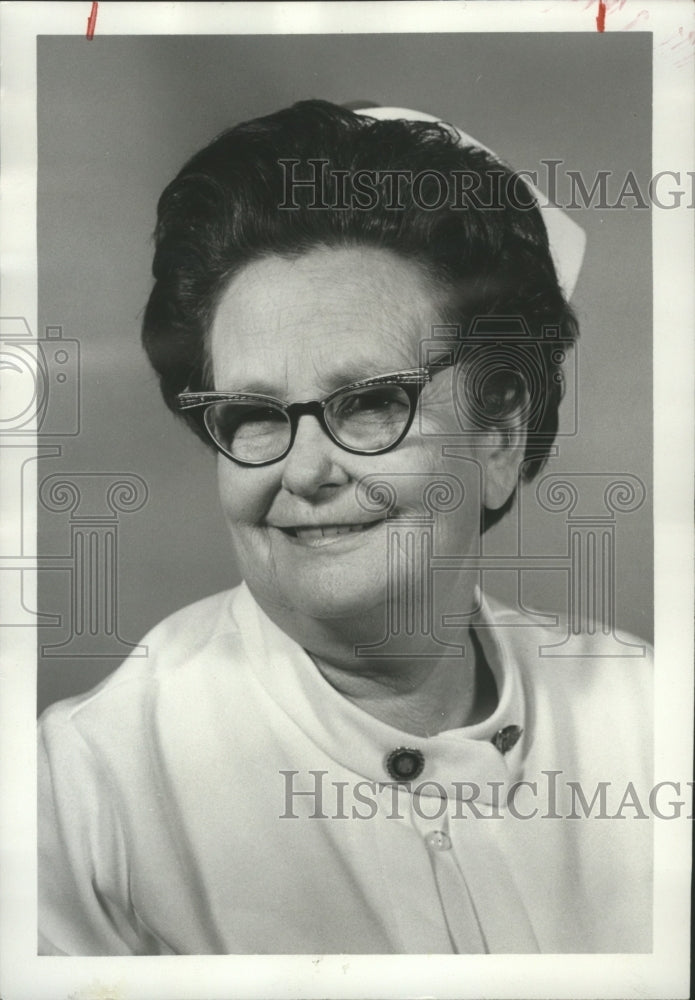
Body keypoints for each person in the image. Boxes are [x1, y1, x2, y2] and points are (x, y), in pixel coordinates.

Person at [38, 100, 652, 955]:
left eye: (370, 403)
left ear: (499, 433)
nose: (304, 471)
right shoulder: (79, 797)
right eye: (254, 413)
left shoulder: (651, 719)